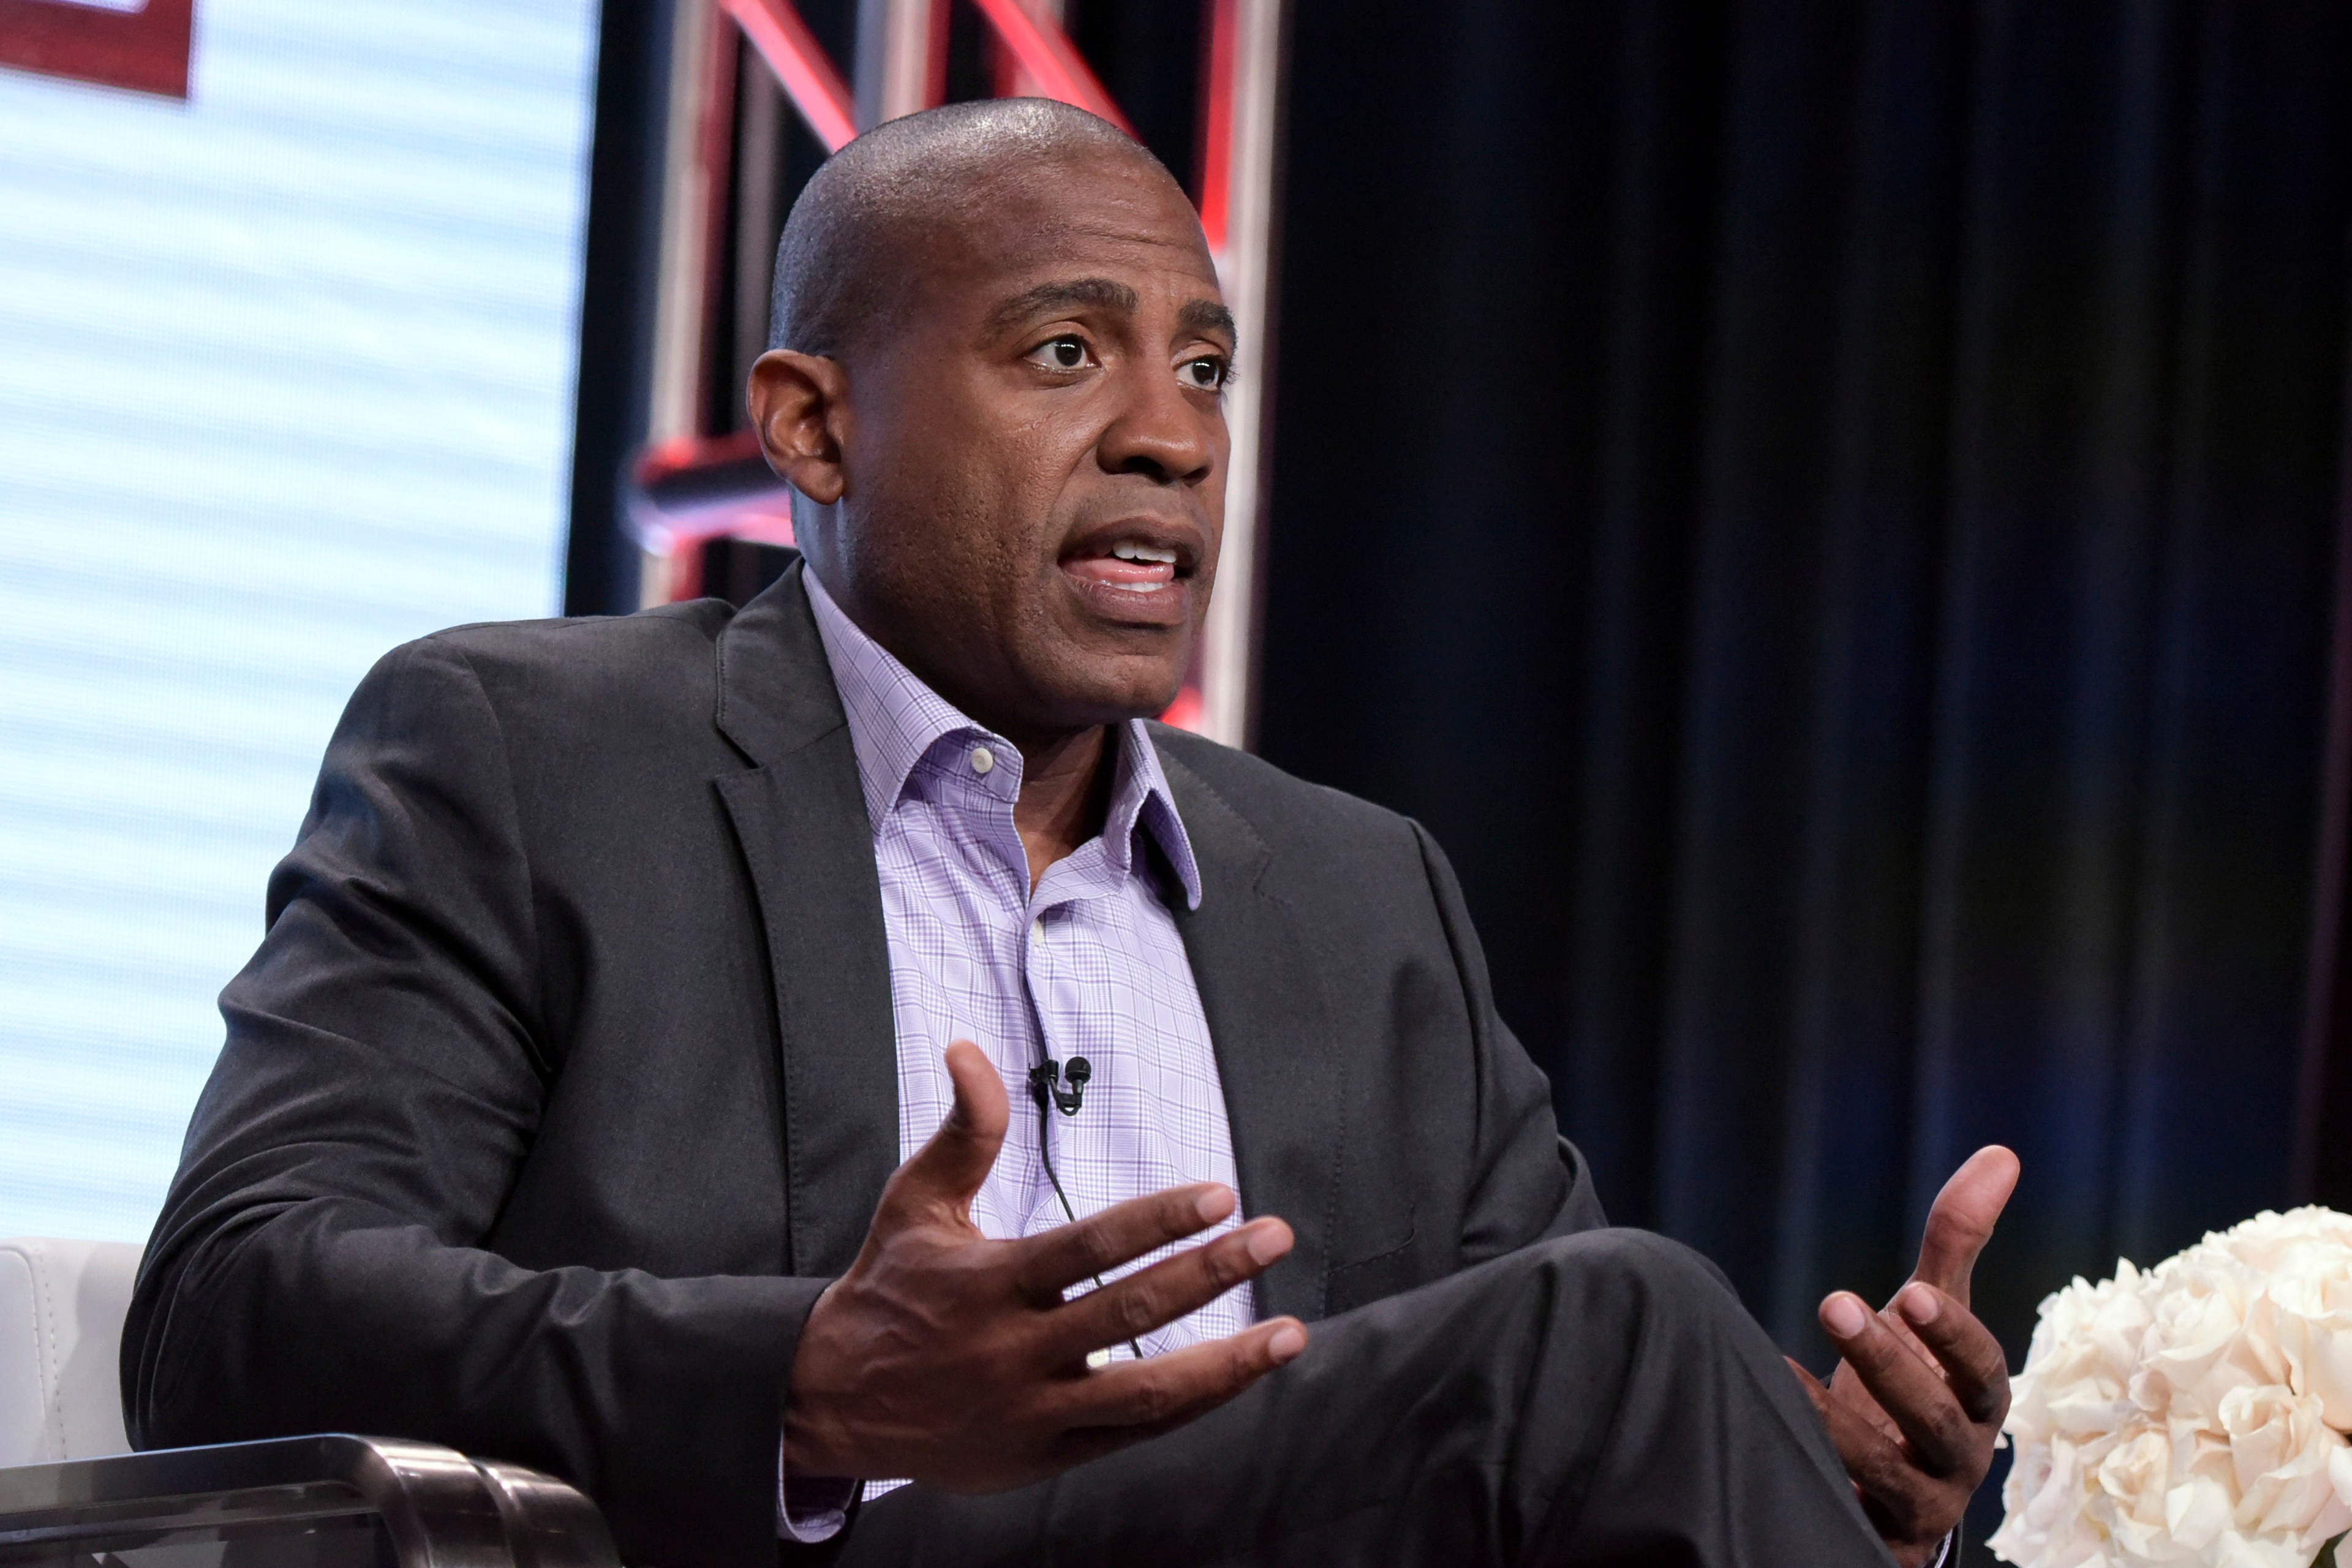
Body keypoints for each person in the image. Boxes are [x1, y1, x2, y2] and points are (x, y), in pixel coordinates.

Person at [124, 99, 2018, 1567]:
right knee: (1621, 1328)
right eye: (1062, 355)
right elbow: (233, 1300)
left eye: (1204, 370)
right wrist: (807, 1381)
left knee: (1627, 1347)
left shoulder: (1360, 898)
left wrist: (1834, 1483)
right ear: (811, 425)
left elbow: (1536, 1429)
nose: (1173, 438)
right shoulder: (533, 756)